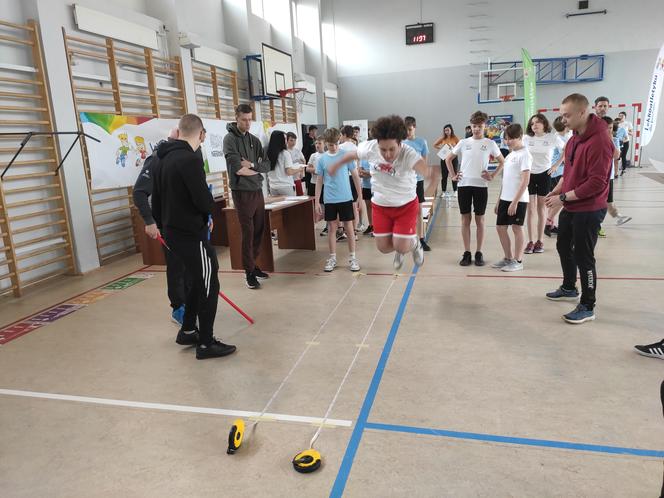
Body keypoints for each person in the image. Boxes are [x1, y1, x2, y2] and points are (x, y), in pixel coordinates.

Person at [152, 114, 236, 360]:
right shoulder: (189, 159)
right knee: (210, 284)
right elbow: (203, 200)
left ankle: (188, 329)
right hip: (191, 234)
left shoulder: (161, 158)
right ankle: (206, 343)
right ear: (201, 134)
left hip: (172, 234)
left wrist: (162, 225)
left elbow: (155, 200)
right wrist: (207, 211)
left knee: (196, 280)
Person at [544, 93, 612, 324]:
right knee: (564, 246)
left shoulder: (601, 141)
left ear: (583, 112)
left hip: (590, 208)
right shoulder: (574, 138)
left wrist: (563, 198)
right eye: (562, 115)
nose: (563, 119)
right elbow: (570, 172)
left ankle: (587, 305)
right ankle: (569, 287)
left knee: (584, 255)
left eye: (567, 115)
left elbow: (596, 183)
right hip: (572, 204)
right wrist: (558, 190)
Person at [329, 115, 430, 270]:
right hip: (381, 205)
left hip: (406, 204)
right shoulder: (369, 147)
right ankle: (401, 245)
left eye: (392, 149)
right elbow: (351, 155)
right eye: (383, 149)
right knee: (383, 248)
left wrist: (429, 173)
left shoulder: (408, 153)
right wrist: (336, 165)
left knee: (401, 245)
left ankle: (414, 244)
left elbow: (424, 168)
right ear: (377, 144)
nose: (387, 154)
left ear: (400, 143)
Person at [133, 128, 191, 325]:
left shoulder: (188, 156)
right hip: (167, 224)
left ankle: (191, 302)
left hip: (186, 222)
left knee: (190, 266)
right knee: (176, 267)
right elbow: (139, 192)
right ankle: (178, 307)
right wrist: (149, 222)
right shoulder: (156, 159)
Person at [223, 104, 273, 290]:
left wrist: (252, 165)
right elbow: (238, 169)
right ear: (236, 118)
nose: (247, 123)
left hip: (257, 190)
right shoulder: (230, 140)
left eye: (250, 119)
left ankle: (254, 264)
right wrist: (256, 170)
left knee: (260, 229)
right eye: (244, 119)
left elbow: (267, 166)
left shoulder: (254, 140)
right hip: (241, 192)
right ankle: (248, 272)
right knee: (248, 231)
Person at [446, 110, 505, 267]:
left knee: (480, 220)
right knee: (465, 219)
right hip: (464, 185)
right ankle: (467, 252)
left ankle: (479, 252)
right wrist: (453, 175)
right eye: (474, 126)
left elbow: (502, 161)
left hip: (481, 186)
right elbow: (448, 158)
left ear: (484, 126)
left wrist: (492, 175)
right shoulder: (463, 143)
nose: (476, 129)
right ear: (470, 127)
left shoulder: (490, 143)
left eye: (479, 126)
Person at [314, 127, 362, 272]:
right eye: (330, 144)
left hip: (346, 197)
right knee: (332, 228)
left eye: (335, 143)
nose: (333, 147)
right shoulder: (322, 159)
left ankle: (353, 257)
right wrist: (317, 201)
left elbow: (355, 176)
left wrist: (359, 196)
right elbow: (319, 181)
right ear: (325, 143)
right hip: (330, 199)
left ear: (339, 140)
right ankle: (332, 257)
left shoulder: (345, 155)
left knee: (349, 228)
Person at [523, 113, 566, 254]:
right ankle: (530, 241)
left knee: (542, 208)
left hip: (545, 175)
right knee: (530, 209)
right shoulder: (526, 138)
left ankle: (539, 241)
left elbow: (566, 150)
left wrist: (556, 165)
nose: (534, 125)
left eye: (537, 123)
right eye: (532, 123)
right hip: (529, 175)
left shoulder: (552, 137)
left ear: (544, 124)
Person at [491, 123, 531, 272]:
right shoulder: (510, 155)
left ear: (520, 137)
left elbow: (525, 180)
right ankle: (508, 258)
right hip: (505, 198)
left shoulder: (525, 154)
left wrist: (514, 202)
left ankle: (518, 260)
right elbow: (505, 180)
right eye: (507, 139)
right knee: (500, 227)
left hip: (518, 199)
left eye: (512, 139)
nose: (508, 142)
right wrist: (499, 200)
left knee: (516, 228)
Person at [403, 116, 431, 251]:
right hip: (404, 182)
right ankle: (407, 238)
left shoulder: (422, 142)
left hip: (417, 180)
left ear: (414, 127)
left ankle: (420, 239)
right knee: (405, 211)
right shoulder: (400, 143)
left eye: (409, 129)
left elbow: (424, 162)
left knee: (419, 210)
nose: (407, 132)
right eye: (405, 130)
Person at [544, 116, 572, 237]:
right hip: (558, 172)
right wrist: (556, 165)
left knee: (557, 200)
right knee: (561, 199)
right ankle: (548, 222)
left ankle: (550, 224)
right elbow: (565, 153)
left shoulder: (566, 135)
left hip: (561, 171)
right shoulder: (557, 138)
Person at [340, 125, 367, 234]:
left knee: (344, 205)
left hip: (344, 177)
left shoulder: (340, 147)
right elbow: (359, 164)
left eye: (341, 135)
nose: (340, 137)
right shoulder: (357, 148)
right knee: (354, 205)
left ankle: (344, 230)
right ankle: (354, 231)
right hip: (355, 177)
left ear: (345, 135)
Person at [267, 130, 305, 196]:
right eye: (284, 139)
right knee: (291, 206)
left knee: (279, 206)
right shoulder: (285, 153)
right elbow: (289, 172)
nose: (285, 141)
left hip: (273, 186)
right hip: (285, 186)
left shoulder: (268, 153)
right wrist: (299, 169)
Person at [433, 124, 460, 198]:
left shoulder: (455, 138)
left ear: (451, 130)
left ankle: (455, 191)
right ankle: (443, 191)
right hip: (444, 158)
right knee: (444, 176)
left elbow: (460, 146)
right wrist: (441, 148)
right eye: (445, 130)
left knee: (454, 174)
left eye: (448, 130)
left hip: (453, 158)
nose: (446, 132)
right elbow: (434, 145)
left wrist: (453, 147)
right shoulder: (443, 138)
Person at [302, 125, 318, 195]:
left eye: (316, 132)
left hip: (314, 161)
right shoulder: (307, 141)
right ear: (310, 131)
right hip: (309, 162)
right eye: (314, 131)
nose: (315, 133)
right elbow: (304, 153)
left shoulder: (314, 139)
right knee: (309, 179)